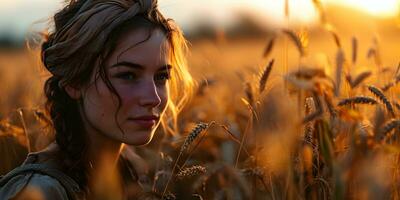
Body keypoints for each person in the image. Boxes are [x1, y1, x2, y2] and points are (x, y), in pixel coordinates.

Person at [0, 0, 193, 199]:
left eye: (161, 77)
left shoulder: (134, 175)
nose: (153, 98)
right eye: (128, 75)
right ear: (74, 82)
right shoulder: (40, 192)